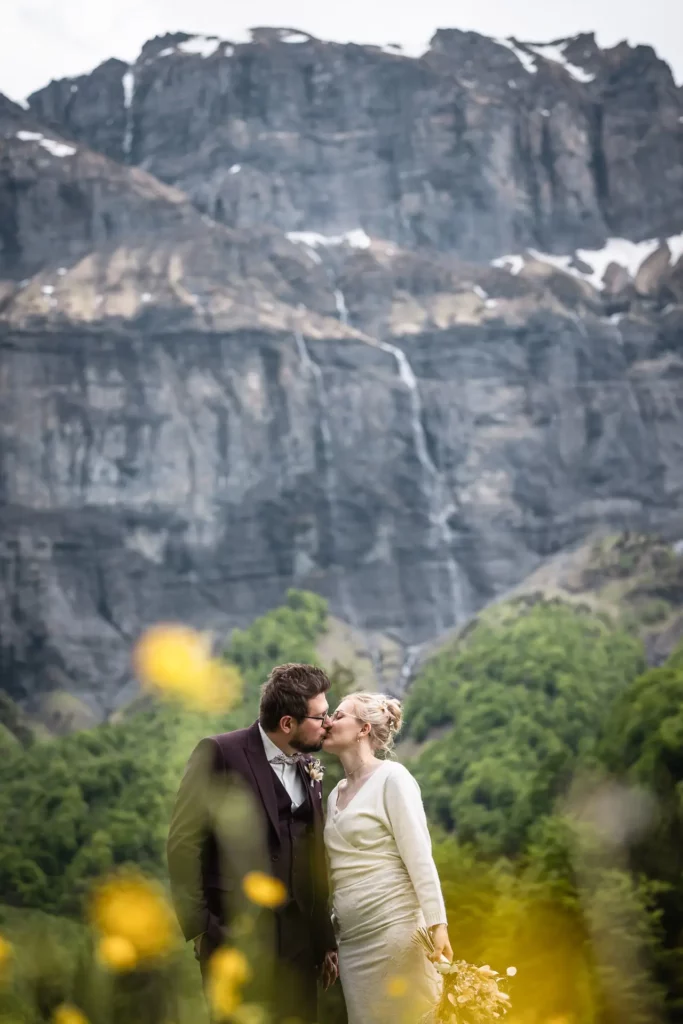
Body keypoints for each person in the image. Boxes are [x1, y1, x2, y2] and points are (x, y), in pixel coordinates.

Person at [167, 663, 338, 1022]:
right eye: (320, 716)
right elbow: (184, 842)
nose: (329, 723)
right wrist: (202, 929)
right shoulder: (219, 752)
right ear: (287, 723)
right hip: (234, 939)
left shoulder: (309, 765)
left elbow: (313, 858)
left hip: (301, 947)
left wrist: (324, 941)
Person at [323, 691, 452, 1024]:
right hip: (353, 945)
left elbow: (419, 856)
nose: (328, 722)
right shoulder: (334, 794)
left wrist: (438, 925)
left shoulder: (393, 778)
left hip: (396, 935)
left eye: (338, 715)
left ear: (363, 729)